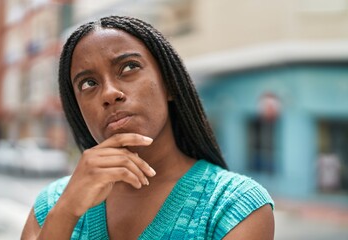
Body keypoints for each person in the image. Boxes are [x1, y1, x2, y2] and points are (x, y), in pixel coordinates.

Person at [21, 15, 274, 239]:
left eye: (129, 67)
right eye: (88, 83)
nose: (109, 93)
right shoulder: (52, 205)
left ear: (170, 85)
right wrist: (66, 212)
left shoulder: (233, 207)